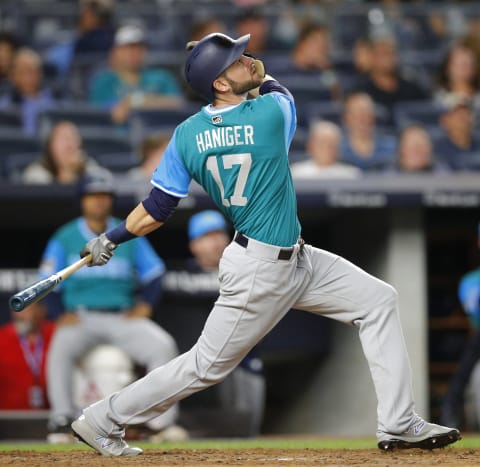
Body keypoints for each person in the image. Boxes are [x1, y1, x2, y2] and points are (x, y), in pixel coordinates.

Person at [70, 32, 460, 456]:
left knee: (378, 300)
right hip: (260, 270)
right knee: (204, 366)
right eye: (236, 60)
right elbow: (268, 82)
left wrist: (111, 236)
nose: (248, 60)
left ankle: (399, 422)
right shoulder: (270, 113)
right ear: (219, 83)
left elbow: (157, 207)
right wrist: (242, 65)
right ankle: (101, 419)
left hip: (298, 260)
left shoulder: (185, 134)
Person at [40, 173, 185, 444]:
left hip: (122, 315)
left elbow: (155, 272)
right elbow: (49, 279)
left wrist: (146, 304)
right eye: (93, 196)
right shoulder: (66, 236)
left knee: (162, 345)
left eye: (104, 197)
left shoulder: (126, 231)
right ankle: (60, 420)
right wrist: (58, 313)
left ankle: (160, 423)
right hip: (81, 317)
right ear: (82, 201)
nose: (99, 202)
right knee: (59, 349)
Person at [160, 210, 266, 437]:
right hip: (189, 362)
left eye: (219, 234)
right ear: (194, 245)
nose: (216, 241)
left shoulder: (245, 270)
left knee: (245, 429)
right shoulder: (176, 273)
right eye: (207, 236)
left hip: (239, 364)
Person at [89, 24, 184, 125]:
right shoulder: (103, 81)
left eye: (138, 48)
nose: (133, 53)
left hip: (157, 136)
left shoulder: (161, 77)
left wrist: (134, 102)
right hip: (118, 137)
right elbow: (100, 112)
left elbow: (177, 103)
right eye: (128, 48)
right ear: (115, 51)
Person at [440, 223, 480, 429]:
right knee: (461, 378)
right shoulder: (470, 281)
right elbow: (472, 310)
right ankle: (450, 417)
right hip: (478, 335)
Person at [356, 34, 430, 126]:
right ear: (372, 57)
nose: (388, 59)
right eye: (383, 54)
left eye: (391, 53)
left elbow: (427, 113)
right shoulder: (362, 91)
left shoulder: (412, 88)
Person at [0, 300, 54, 410]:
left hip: (49, 414)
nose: (19, 315)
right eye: (16, 310)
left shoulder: (55, 334)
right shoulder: (2, 338)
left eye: (25, 309)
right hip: (9, 418)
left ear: (41, 311)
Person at [21, 120, 111, 185]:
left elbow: (106, 181)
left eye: (74, 138)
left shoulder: (89, 167)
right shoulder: (36, 173)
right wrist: (68, 171)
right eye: (64, 138)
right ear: (50, 146)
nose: (69, 144)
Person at [0, 48, 59, 136]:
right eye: (23, 71)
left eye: (33, 71)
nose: (29, 77)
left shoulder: (55, 100)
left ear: (40, 74)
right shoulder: (5, 105)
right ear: (13, 75)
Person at [339, 92, 397, 171]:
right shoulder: (337, 149)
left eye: (366, 113)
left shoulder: (391, 147)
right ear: (346, 118)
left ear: (373, 116)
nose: (362, 119)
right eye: (357, 114)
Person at [290, 120, 361, 179]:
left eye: (331, 144)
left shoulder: (351, 175)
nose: (326, 148)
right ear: (310, 147)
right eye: (322, 143)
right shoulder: (296, 173)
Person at [433, 96, 480, 171]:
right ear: (444, 120)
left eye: (467, 112)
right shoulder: (436, 149)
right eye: (457, 113)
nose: (463, 117)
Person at [434, 40, 480, 107]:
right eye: (458, 64)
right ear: (447, 68)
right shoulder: (438, 100)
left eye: (468, 64)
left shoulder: (477, 99)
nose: (464, 69)